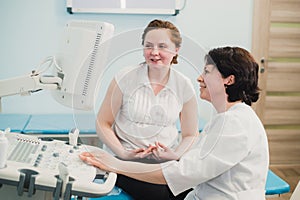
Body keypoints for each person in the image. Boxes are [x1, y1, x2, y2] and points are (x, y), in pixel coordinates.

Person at [80, 46, 270, 200]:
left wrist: (115, 165)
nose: (200, 78)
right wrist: (174, 155)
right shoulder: (225, 117)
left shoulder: (235, 123)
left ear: (229, 80)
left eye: (207, 72)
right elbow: (197, 162)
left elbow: (180, 174)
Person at [94, 19, 199, 199]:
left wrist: (175, 155)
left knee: (194, 191)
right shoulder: (125, 78)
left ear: (176, 51)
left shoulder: (183, 85)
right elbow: (103, 123)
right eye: (148, 46)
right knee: (158, 194)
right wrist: (123, 153)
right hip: (126, 163)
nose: (155, 52)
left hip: (164, 164)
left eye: (162, 46)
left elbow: (191, 134)